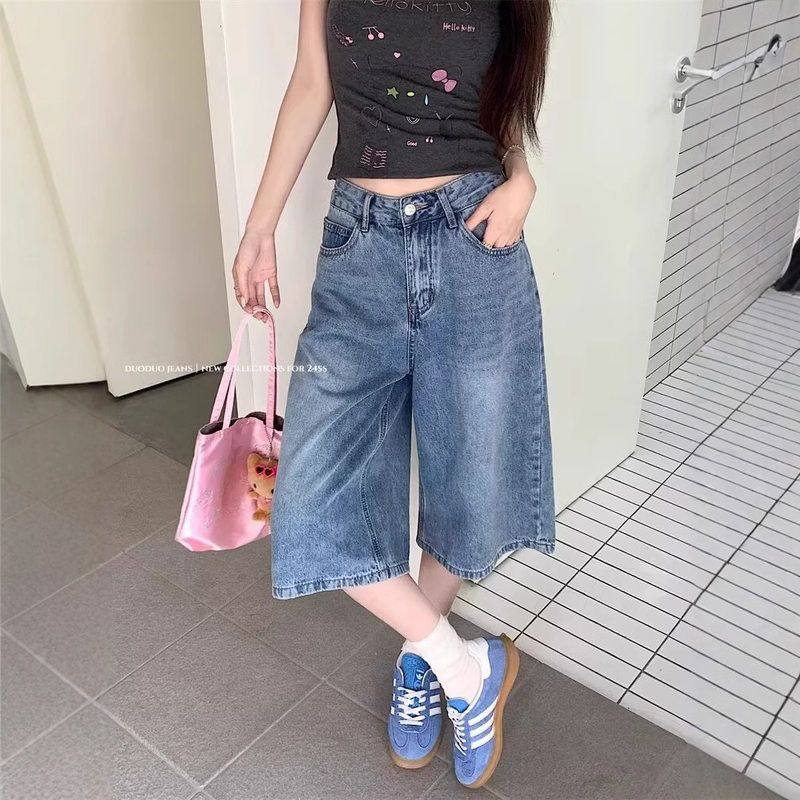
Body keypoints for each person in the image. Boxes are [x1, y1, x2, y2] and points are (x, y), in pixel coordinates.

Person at [232, 0, 554, 788]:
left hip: (475, 236)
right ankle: (462, 665)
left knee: (468, 479)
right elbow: (311, 83)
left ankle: (421, 659)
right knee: (310, 499)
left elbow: (502, 92)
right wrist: (260, 225)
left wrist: (522, 179)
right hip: (360, 246)